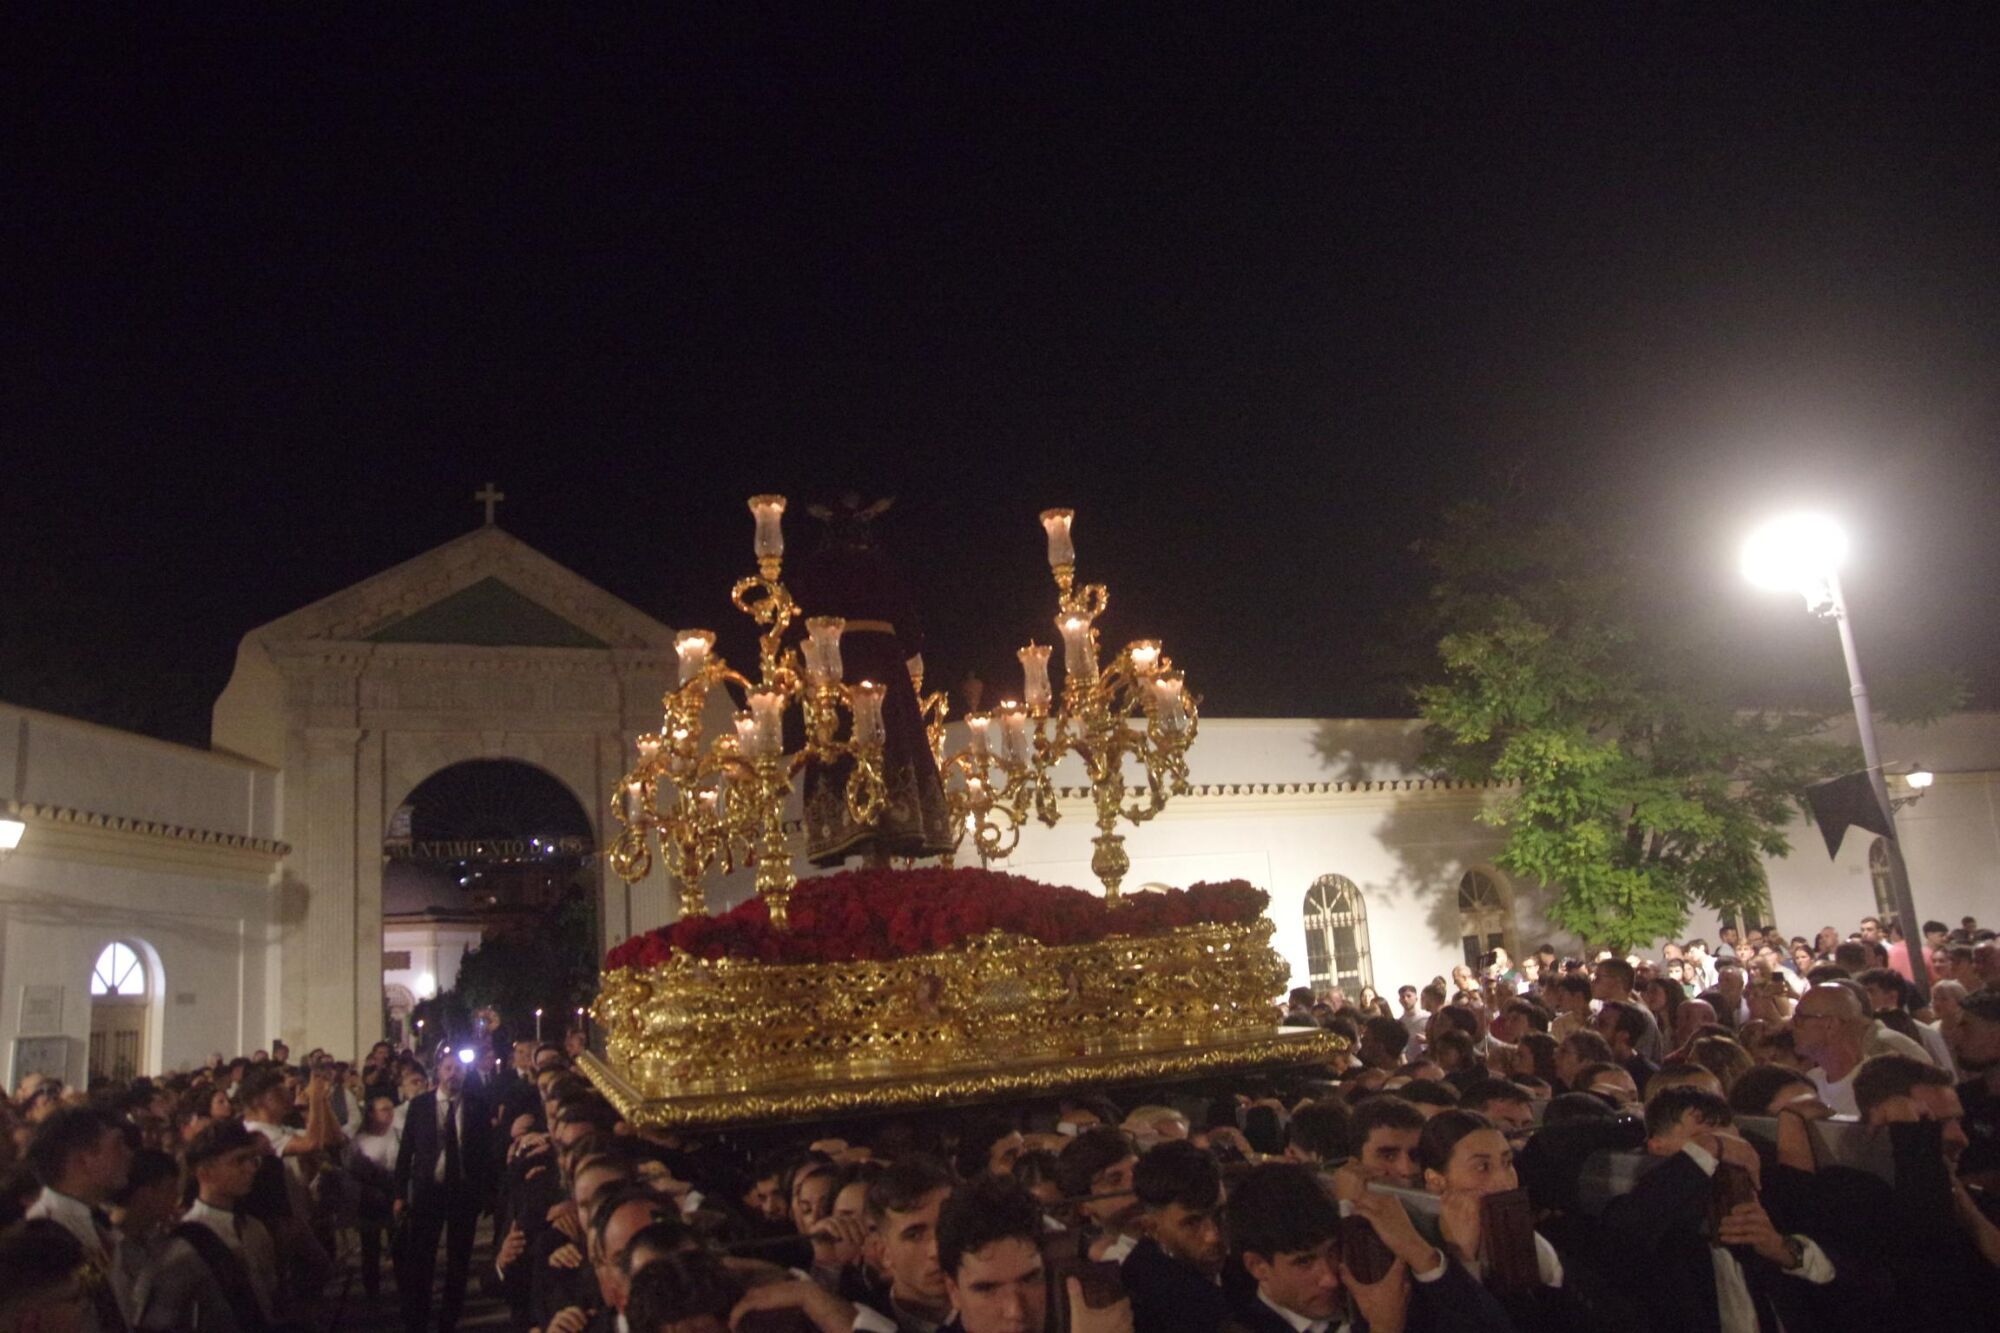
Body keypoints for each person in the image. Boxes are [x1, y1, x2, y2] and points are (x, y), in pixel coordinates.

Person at [135, 1118, 279, 1331]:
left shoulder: (253, 1228)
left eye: (253, 1160)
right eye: (239, 1161)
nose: (250, 1169)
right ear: (205, 1172)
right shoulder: (187, 1237)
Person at [393, 1052, 493, 1333]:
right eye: (448, 1069)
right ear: (438, 1072)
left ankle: (449, 1318)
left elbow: (485, 1152)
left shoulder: (476, 1106)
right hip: (429, 1191)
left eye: (458, 1069)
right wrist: (400, 1193)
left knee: (459, 1258)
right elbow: (406, 1152)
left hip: (463, 1190)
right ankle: (418, 1317)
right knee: (422, 1257)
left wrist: (486, 1191)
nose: (453, 1074)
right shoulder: (420, 1106)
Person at [25, 1105, 134, 1332]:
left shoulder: (94, 1219)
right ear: (83, 1160)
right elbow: (64, 1295)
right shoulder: (44, 1233)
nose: (128, 1154)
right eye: (117, 1145)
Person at [1120, 1141, 1228, 1333]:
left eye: (1220, 1214)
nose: (1213, 1236)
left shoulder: (1241, 1264)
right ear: (1151, 1227)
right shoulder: (1153, 1299)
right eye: (1192, 1223)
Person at [860, 1156, 954, 1333]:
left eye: (947, 1226)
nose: (937, 1250)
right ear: (884, 1252)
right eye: (915, 1235)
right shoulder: (865, 1319)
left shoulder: (998, 1314)